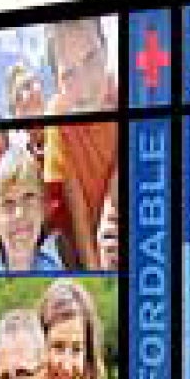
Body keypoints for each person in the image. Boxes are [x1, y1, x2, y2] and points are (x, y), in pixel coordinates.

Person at [42, 17, 118, 270]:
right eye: (69, 73)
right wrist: (95, 275)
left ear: (106, 49)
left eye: (91, 59)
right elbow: (77, 211)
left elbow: (116, 196)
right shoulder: (59, 116)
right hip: (91, 240)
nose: (84, 83)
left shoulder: (128, 94)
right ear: (57, 82)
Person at [0, 142, 64, 274]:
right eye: (8, 203)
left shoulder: (62, 273)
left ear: (42, 209)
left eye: (28, 197)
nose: (20, 213)